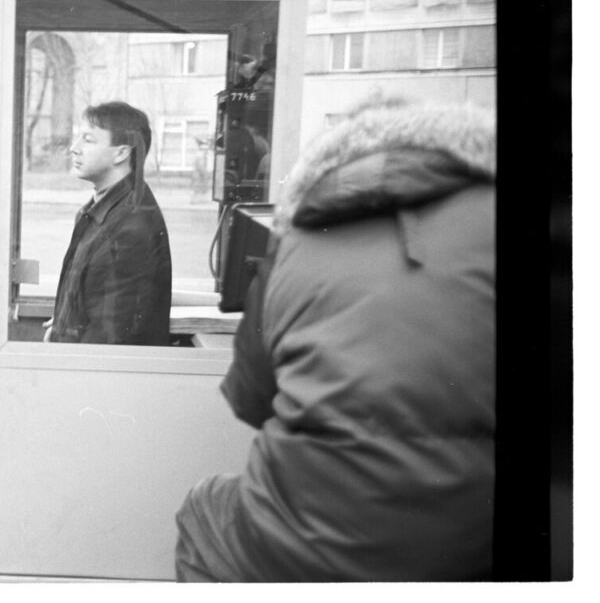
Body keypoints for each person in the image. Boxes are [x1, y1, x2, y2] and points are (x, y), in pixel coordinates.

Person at [175, 96, 496, 581]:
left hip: (301, 550)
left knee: (205, 508)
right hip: (475, 545)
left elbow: (250, 400)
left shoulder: (298, 240)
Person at [44, 101, 172, 345]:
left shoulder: (129, 229)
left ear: (121, 153)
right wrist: (64, 322)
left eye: (88, 140)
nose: (74, 148)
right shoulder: (111, 206)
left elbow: (109, 337)